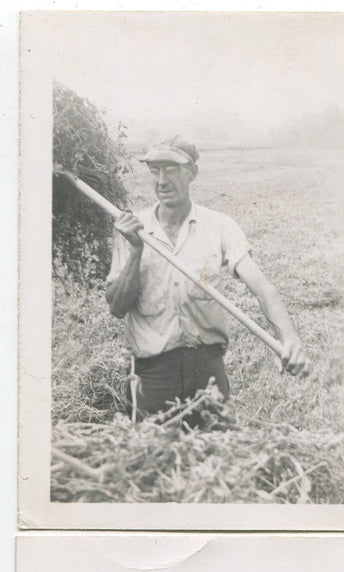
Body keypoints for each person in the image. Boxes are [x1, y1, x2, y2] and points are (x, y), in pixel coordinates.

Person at [105, 135, 309, 420]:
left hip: (207, 372)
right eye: (155, 170)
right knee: (155, 461)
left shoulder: (220, 226)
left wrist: (289, 338)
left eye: (172, 169)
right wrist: (136, 250)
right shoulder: (133, 230)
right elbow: (117, 307)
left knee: (217, 461)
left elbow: (263, 289)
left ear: (193, 173)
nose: (162, 180)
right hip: (151, 376)